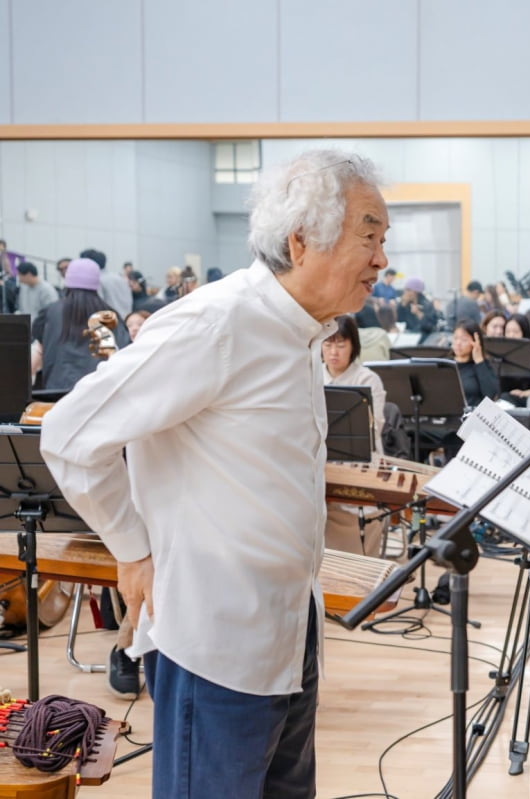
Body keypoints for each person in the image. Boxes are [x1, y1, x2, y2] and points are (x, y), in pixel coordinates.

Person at [40, 149, 390, 799]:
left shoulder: (305, 333)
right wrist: (132, 545)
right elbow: (68, 435)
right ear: (302, 240)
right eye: (369, 236)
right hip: (217, 647)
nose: (381, 259)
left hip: (290, 635)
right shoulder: (216, 323)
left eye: (383, 240)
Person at [322, 314, 388, 556]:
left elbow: (374, 428)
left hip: (358, 462)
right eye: (328, 344)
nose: (334, 352)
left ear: (353, 346)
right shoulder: (312, 375)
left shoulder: (368, 379)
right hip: (321, 462)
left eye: (341, 344)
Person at [32, 258, 131, 391]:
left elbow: (38, 343)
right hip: (98, 392)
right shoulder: (110, 315)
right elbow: (124, 351)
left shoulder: (50, 312)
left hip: (56, 391)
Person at [451, 319, 499, 408]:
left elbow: (491, 395)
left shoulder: (482, 365)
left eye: (464, 339)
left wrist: (479, 360)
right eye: (455, 338)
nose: (458, 343)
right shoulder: (446, 364)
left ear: (475, 342)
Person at [81, 248, 133, 318]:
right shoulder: (119, 277)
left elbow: (98, 307)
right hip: (128, 320)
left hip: (111, 322)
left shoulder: (97, 280)